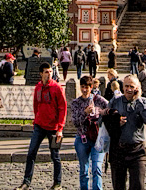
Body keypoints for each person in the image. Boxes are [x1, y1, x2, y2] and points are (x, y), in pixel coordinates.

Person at [15, 62, 66, 190]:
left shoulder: (57, 88)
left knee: (55, 156)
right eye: (46, 72)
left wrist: (60, 128)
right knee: (31, 153)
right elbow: (36, 105)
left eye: (50, 71)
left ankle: (57, 183)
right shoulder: (38, 87)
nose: (49, 74)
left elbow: (62, 108)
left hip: (53, 128)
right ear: (41, 74)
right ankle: (26, 182)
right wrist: (36, 119)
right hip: (39, 125)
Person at [104, 75, 146, 190]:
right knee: (118, 186)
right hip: (118, 150)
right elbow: (103, 121)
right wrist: (115, 122)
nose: (129, 89)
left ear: (137, 88)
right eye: (126, 86)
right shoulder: (115, 101)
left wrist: (138, 100)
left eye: (132, 86)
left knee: (138, 185)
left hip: (137, 151)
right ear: (122, 87)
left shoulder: (144, 101)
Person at [70, 75, 107, 190]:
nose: (84, 90)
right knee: (84, 170)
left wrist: (102, 114)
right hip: (82, 139)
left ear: (91, 87)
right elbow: (75, 122)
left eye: (87, 87)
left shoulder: (99, 100)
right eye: (82, 87)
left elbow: (111, 112)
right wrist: (85, 113)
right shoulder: (76, 102)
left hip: (98, 139)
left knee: (96, 168)